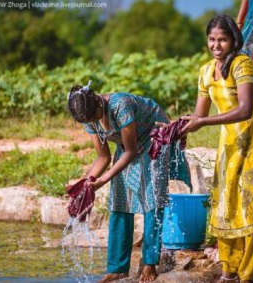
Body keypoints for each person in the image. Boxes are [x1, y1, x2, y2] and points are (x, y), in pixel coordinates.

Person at [180, 15, 253, 283]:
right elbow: (199, 114)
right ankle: (228, 269)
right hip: (230, 143)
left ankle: (247, 273)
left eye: (222, 39)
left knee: (250, 207)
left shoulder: (243, 65)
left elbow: (245, 110)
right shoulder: (206, 71)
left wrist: (203, 122)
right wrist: (178, 127)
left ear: (233, 41)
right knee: (226, 206)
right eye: (212, 39)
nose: (216, 45)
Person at [66, 82, 191, 283]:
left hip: (153, 136)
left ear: (98, 103)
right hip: (128, 144)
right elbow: (103, 157)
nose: (91, 122)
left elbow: (132, 152)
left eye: (93, 118)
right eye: (87, 121)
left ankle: (150, 262)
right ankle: (118, 267)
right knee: (119, 201)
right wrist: (88, 183)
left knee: (151, 198)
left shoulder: (119, 105)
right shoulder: (87, 115)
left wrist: (104, 180)